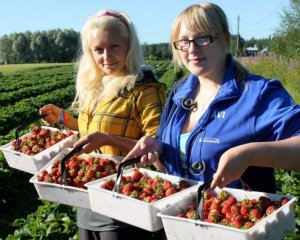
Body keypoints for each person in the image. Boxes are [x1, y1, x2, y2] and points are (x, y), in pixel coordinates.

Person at [123, 2, 300, 194]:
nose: (192, 48)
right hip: (178, 217)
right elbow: (171, 154)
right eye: (184, 41)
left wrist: (249, 154)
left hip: (232, 220)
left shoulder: (257, 94)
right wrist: (158, 146)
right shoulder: (179, 92)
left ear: (224, 39)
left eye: (203, 38)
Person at [40, 9, 166, 240]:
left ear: (129, 46)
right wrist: (64, 120)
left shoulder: (145, 90)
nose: (106, 56)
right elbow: (92, 133)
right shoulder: (96, 86)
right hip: (87, 198)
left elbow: (158, 145)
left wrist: (108, 140)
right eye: (98, 49)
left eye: (114, 46)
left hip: (123, 200)